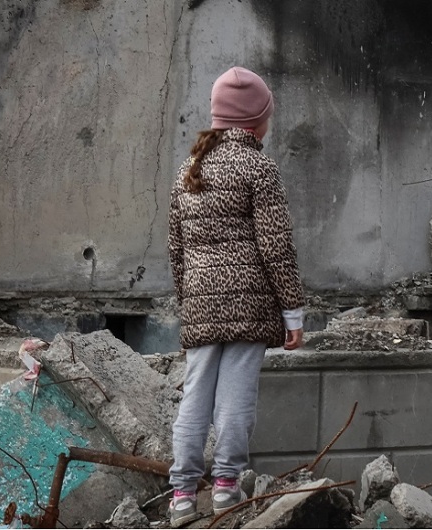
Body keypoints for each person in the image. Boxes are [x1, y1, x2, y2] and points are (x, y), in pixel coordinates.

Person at [166, 66, 305, 527]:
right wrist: (293, 313)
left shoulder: (191, 168)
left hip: (201, 304)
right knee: (235, 399)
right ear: (254, 121)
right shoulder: (260, 167)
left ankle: (182, 494)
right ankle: (226, 485)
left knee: (194, 397)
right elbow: (276, 245)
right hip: (249, 305)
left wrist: (190, 301)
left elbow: (176, 249)